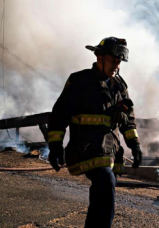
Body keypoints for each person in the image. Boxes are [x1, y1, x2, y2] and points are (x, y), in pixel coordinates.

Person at [47, 37, 143, 228]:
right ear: (99, 57)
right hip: (86, 149)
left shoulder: (119, 86)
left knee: (103, 196)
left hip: (110, 152)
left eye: (119, 62)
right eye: (113, 60)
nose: (116, 66)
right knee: (105, 184)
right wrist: (55, 147)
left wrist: (135, 145)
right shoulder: (80, 81)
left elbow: (128, 120)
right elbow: (60, 114)